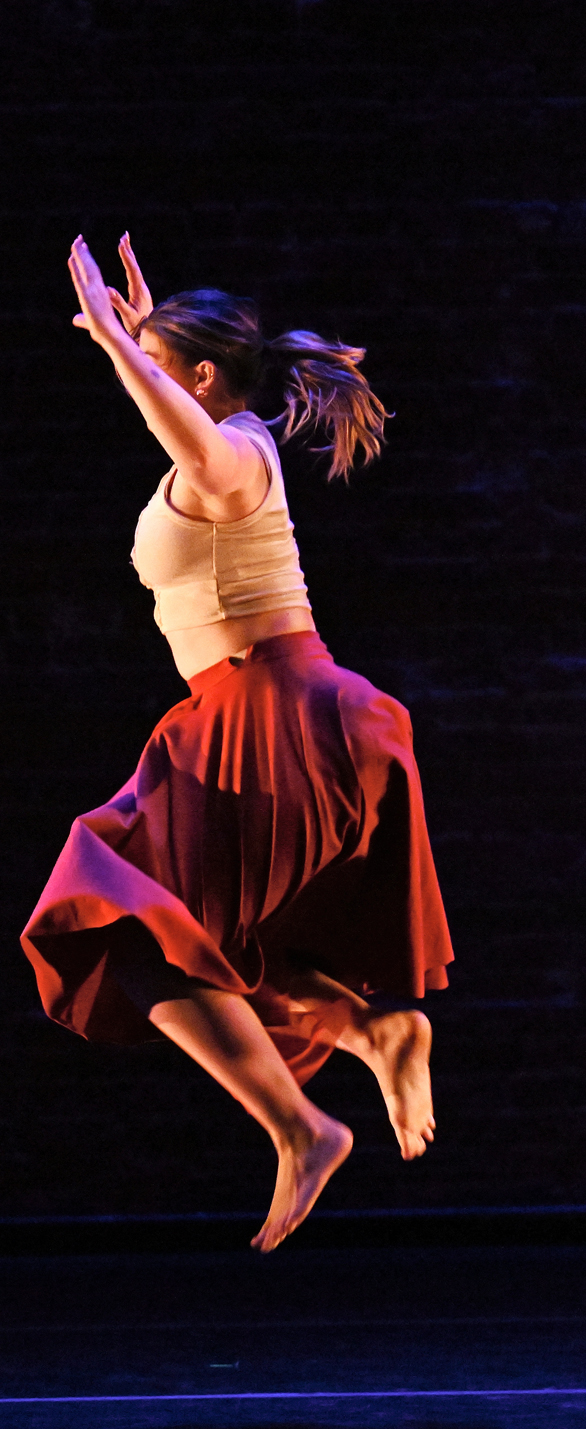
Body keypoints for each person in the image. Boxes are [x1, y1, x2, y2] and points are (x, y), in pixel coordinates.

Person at [23, 235, 452, 1252]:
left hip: (273, 716)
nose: (145, 376)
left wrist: (125, 353)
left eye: (161, 364)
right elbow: (174, 424)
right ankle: (367, 1033)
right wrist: (125, 345)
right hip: (256, 718)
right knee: (206, 943)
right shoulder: (228, 446)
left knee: (116, 917)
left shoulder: (236, 455)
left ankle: (303, 1126)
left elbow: (187, 437)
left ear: (199, 376)